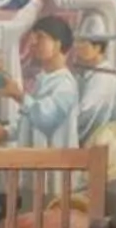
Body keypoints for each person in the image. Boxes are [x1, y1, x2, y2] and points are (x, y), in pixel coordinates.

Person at [8, 15, 80, 149]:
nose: (33, 43)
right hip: (35, 163)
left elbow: (46, 118)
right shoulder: (42, 79)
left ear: (58, 45)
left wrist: (19, 96)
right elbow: (28, 121)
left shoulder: (65, 84)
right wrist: (5, 133)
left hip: (55, 164)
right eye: (33, 38)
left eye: (40, 37)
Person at [71, 19, 116, 137]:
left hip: (96, 146)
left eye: (83, 42)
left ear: (97, 48)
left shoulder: (102, 78)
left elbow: (85, 113)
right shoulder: (89, 73)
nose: (78, 47)